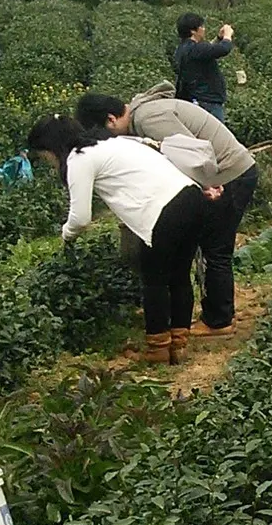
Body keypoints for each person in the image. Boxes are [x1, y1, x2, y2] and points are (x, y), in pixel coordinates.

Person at [27, 112, 222, 367]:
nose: (48, 161)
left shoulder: (79, 158)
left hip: (163, 211)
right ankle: (179, 343)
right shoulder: (111, 142)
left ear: (52, 147)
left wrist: (67, 235)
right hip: (191, 198)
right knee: (179, 275)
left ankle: (158, 349)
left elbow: (81, 217)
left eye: (45, 155)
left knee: (154, 281)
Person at [78, 87, 259, 337]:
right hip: (225, 173)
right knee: (212, 246)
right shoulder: (144, 115)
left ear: (111, 119)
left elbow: (191, 154)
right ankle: (218, 313)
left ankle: (219, 320)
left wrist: (204, 187)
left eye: (105, 132)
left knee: (215, 248)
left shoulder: (149, 118)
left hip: (230, 174)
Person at [173, 14, 237, 119]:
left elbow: (207, 51)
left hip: (196, 99)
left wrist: (219, 38)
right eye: (201, 27)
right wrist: (227, 35)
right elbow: (224, 49)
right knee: (214, 129)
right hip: (207, 102)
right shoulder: (195, 49)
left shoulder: (183, 48)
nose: (204, 29)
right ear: (193, 31)